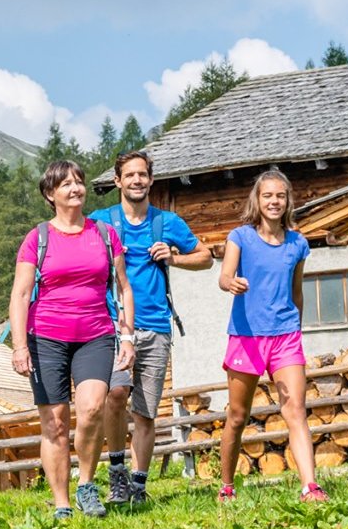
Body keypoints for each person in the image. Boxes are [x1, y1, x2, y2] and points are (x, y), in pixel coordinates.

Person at [8, 160, 135, 518]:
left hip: (95, 333)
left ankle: (86, 486)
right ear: (51, 195)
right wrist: (19, 346)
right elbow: (19, 295)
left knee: (93, 407)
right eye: (66, 184)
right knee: (56, 423)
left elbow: (124, 288)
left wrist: (128, 338)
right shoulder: (38, 238)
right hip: (45, 337)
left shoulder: (105, 234)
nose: (76, 188)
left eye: (79, 182)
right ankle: (61, 502)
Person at [89, 151, 211, 506]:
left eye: (142, 175)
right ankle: (116, 476)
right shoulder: (101, 222)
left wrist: (174, 258)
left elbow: (205, 257)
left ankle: (139, 485)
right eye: (130, 175)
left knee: (145, 411)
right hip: (113, 325)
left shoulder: (167, 222)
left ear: (151, 180)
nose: (137, 180)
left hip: (157, 326)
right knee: (114, 396)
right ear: (117, 181)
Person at [217, 169, 328, 503]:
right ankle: (227, 486)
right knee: (237, 416)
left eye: (280, 195)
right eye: (268, 195)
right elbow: (224, 275)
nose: (274, 201)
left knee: (295, 410)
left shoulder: (298, 244)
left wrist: (297, 327)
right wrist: (231, 283)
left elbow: (297, 292)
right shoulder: (240, 237)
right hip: (247, 337)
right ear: (258, 199)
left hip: (286, 337)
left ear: (287, 199)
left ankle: (310, 486)